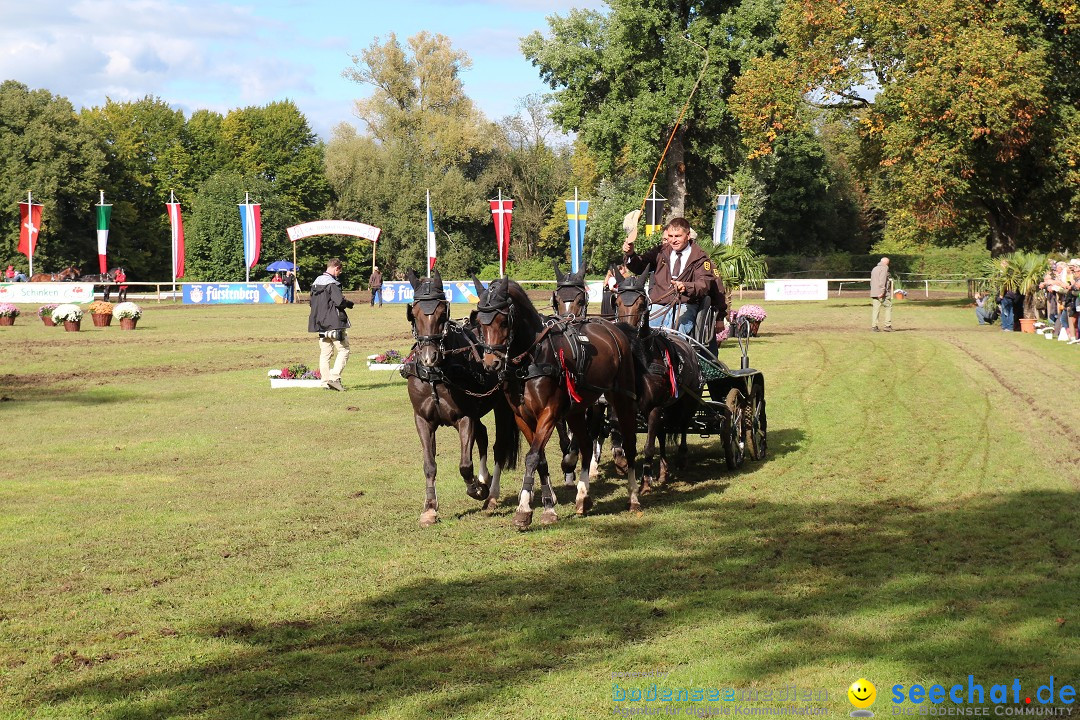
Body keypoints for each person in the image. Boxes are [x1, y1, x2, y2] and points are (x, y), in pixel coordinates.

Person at [622, 216, 712, 334]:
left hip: (685, 304)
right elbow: (640, 267)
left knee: (678, 330)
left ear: (688, 235)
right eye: (670, 236)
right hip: (659, 303)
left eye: (678, 236)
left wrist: (685, 287)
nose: (673, 240)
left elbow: (704, 283)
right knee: (645, 332)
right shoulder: (660, 251)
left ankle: (678, 352)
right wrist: (630, 254)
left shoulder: (700, 257)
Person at [308, 258, 354, 391]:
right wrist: (349, 304)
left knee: (325, 353)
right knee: (344, 350)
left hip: (320, 323)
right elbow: (339, 302)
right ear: (336, 268)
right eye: (339, 271)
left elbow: (312, 303)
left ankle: (325, 382)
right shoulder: (332, 284)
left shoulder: (315, 284)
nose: (339, 274)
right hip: (334, 322)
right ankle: (334, 378)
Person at [869, 257, 893, 332]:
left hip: (874, 292)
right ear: (886, 263)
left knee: (876, 309)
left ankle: (874, 326)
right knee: (888, 306)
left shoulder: (874, 268)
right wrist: (882, 291)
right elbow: (882, 281)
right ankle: (887, 325)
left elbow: (872, 281)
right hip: (881, 292)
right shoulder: (884, 269)